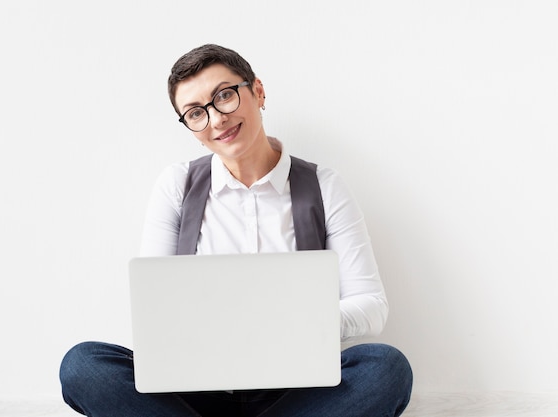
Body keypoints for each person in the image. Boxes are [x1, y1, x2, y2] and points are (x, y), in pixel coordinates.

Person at [60, 44, 413, 417]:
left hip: (296, 393)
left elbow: (371, 306)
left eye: (224, 96)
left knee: (385, 367)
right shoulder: (176, 185)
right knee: (84, 366)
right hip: (194, 392)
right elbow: (154, 312)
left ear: (258, 91)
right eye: (196, 113)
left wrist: (292, 320)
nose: (216, 120)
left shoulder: (324, 186)